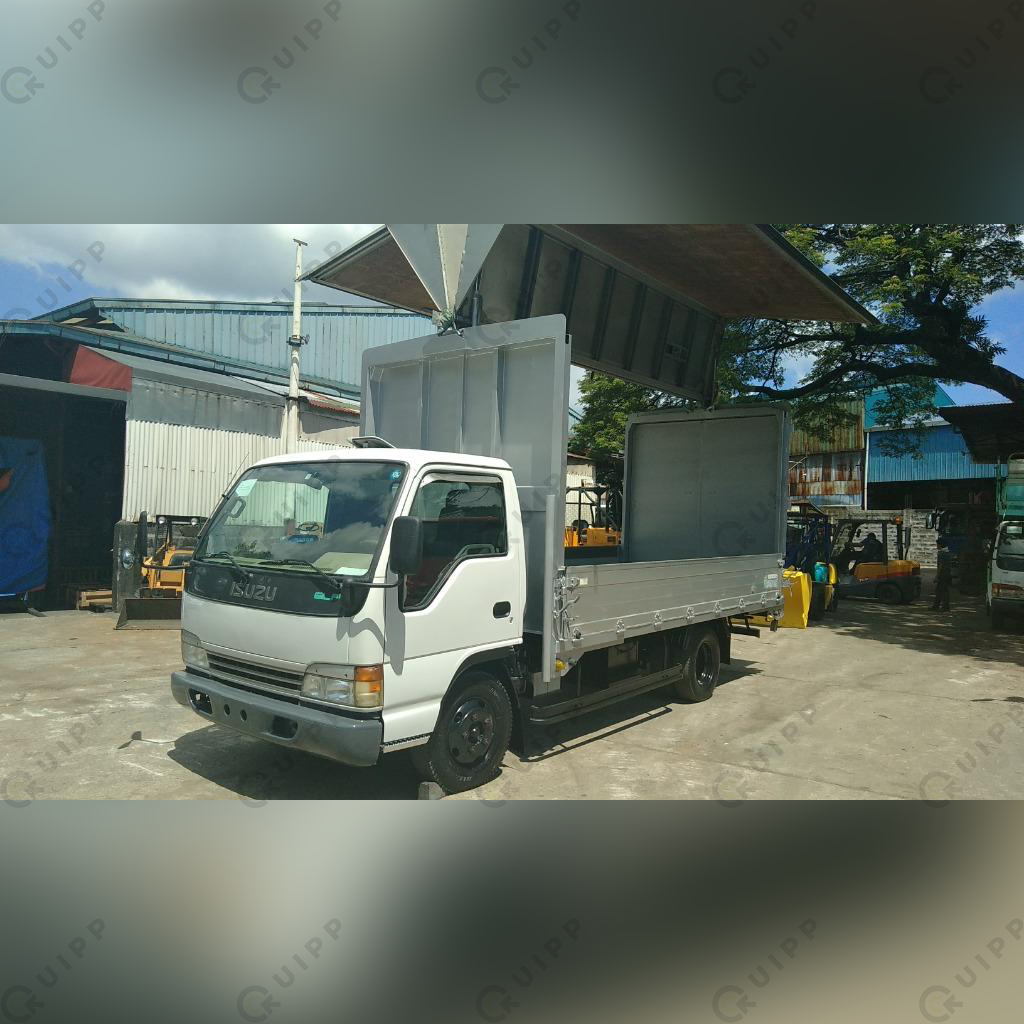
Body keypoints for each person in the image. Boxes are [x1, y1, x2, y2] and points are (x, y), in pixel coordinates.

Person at [932, 538, 952, 612]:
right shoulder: (948, 552)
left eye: (937, 544)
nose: (936, 546)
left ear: (940, 545)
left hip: (943, 574)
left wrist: (937, 576)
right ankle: (936, 606)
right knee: (940, 590)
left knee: (942, 591)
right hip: (947, 573)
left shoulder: (941, 553)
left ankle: (944, 607)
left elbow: (940, 565)